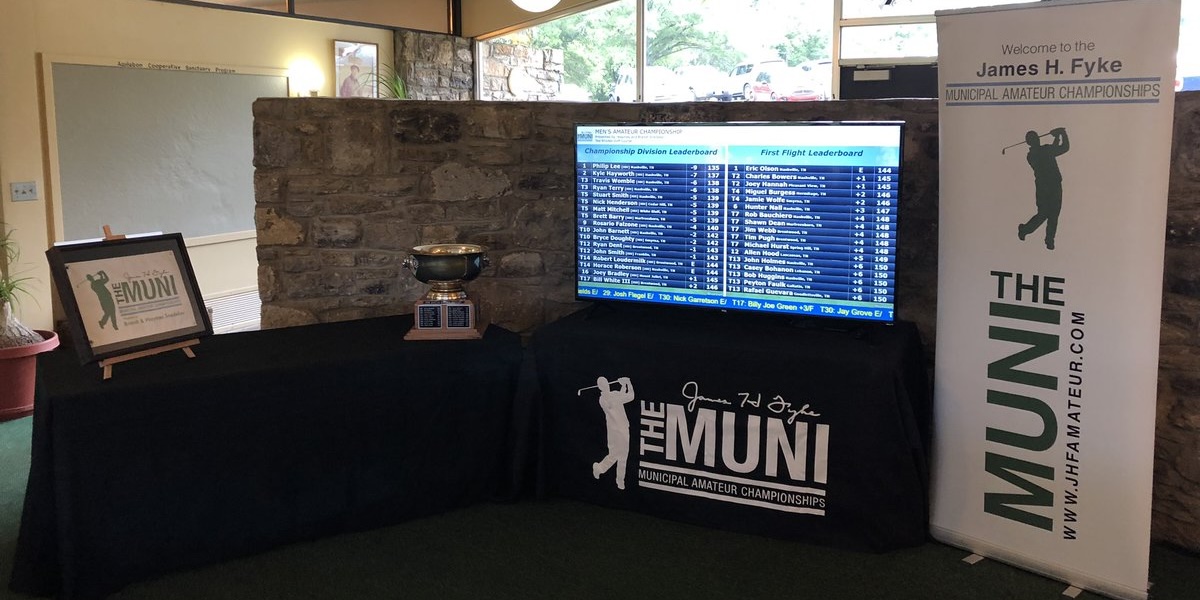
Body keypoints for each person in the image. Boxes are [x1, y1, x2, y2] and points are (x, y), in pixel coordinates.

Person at [1017, 126, 1070, 250]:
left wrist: (1057, 136)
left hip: (1049, 186)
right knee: (1045, 214)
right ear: (1033, 141)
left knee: (1052, 214)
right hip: (1047, 187)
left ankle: (1049, 240)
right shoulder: (1040, 152)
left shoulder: (1032, 154)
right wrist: (1062, 134)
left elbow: (1053, 150)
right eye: (1035, 138)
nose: (1037, 140)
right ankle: (1025, 230)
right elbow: (1063, 148)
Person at [590, 376, 636, 490]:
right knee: (615, 455)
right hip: (616, 431)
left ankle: (619, 480)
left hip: (623, 428)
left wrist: (625, 385)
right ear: (600, 387)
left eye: (606, 382)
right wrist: (627, 383)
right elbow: (625, 398)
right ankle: (600, 468)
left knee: (622, 456)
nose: (606, 385)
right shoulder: (603, 399)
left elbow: (625, 397)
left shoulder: (614, 394)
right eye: (603, 384)